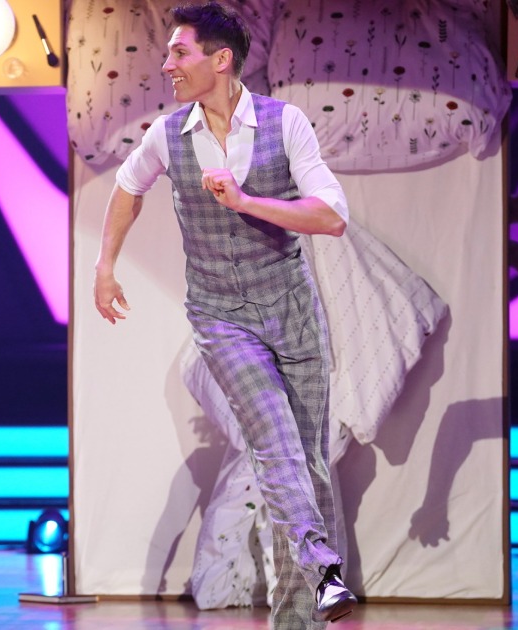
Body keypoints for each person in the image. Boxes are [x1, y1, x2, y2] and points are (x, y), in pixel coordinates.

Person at [92, 3, 358, 627]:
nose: (167, 64)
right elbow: (127, 188)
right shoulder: (167, 134)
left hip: (292, 312)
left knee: (310, 466)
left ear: (221, 59)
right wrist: (105, 267)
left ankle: (299, 616)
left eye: (179, 52)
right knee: (274, 441)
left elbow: (331, 217)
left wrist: (246, 201)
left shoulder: (283, 123)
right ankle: (323, 567)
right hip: (221, 316)